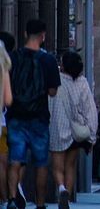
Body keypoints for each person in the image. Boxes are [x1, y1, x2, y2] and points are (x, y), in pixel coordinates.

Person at [8, 19, 61, 209]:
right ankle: (40, 204)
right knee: (40, 163)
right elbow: (53, 92)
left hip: (15, 115)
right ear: (43, 36)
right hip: (39, 117)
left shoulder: (13, 57)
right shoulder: (47, 60)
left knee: (16, 160)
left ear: (25, 34)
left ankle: (13, 198)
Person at [49, 51, 98, 209]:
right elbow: (90, 108)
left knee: (58, 166)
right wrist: (92, 135)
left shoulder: (56, 78)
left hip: (57, 126)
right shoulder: (83, 82)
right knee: (70, 165)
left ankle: (61, 188)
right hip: (77, 130)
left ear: (63, 65)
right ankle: (68, 198)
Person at [0, 33, 14, 205]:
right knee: (2, 163)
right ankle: (3, 198)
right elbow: (8, 100)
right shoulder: (3, 71)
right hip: (1, 123)